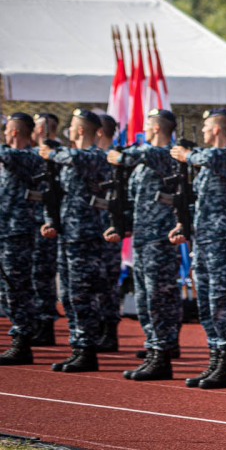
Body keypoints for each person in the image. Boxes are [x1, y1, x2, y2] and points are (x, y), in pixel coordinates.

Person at [170, 108, 226, 389]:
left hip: (225, 242)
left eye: (206, 126)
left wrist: (187, 155)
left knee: (222, 302)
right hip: (205, 241)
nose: (203, 131)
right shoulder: (210, 164)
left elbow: (211, 156)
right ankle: (215, 358)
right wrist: (185, 225)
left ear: (216, 129)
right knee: (206, 303)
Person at [108, 109, 182, 381]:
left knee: (157, 297)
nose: (144, 128)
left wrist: (121, 157)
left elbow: (136, 155)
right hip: (142, 236)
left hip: (159, 239)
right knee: (144, 297)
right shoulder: (145, 159)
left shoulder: (166, 155)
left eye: (148, 124)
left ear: (158, 128)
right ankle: (154, 348)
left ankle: (161, 353)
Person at [40, 109, 110, 372]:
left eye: (72, 125)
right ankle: (78, 345)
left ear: (80, 130)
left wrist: (51, 152)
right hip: (68, 234)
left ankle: (88, 349)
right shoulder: (68, 160)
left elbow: (74, 157)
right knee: (68, 295)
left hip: (86, 236)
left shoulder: (93, 157)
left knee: (83, 295)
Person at [0, 113, 46, 365]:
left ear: (15, 131)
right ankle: (19, 335)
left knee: (17, 287)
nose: (5, 133)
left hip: (18, 231)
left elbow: (7, 155)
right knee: (6, 290)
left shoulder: (29, 156)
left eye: (7, 129)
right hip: (6, 230)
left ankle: (22, 341)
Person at [30, 112, 61, 347]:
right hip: (34, 222)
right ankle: (39, 322)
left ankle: (45, 323)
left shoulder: (57, 155)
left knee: (42, 275)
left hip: (48, 223)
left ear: (40, 130)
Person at [94, 112, 123, 353]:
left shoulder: (117, 159)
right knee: (94, 282)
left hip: (109, 228)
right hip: (91, 228)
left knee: (108, 282)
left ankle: (109, 331)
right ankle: (99, 329)